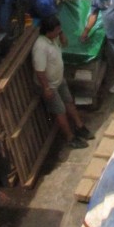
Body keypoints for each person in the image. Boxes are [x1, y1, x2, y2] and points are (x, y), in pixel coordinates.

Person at [31, 15, 94, 147]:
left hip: (59, 79)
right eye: (57, 29)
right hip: (50, 85)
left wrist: (61, 35)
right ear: (49, 31)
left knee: (69, 102)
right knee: (60, 111)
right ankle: (70, 137)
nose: (59, 31)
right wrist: (46, 88)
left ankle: (79, 126)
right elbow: (40, 71)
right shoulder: (40, 47)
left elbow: (65, 44)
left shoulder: (53, 39)